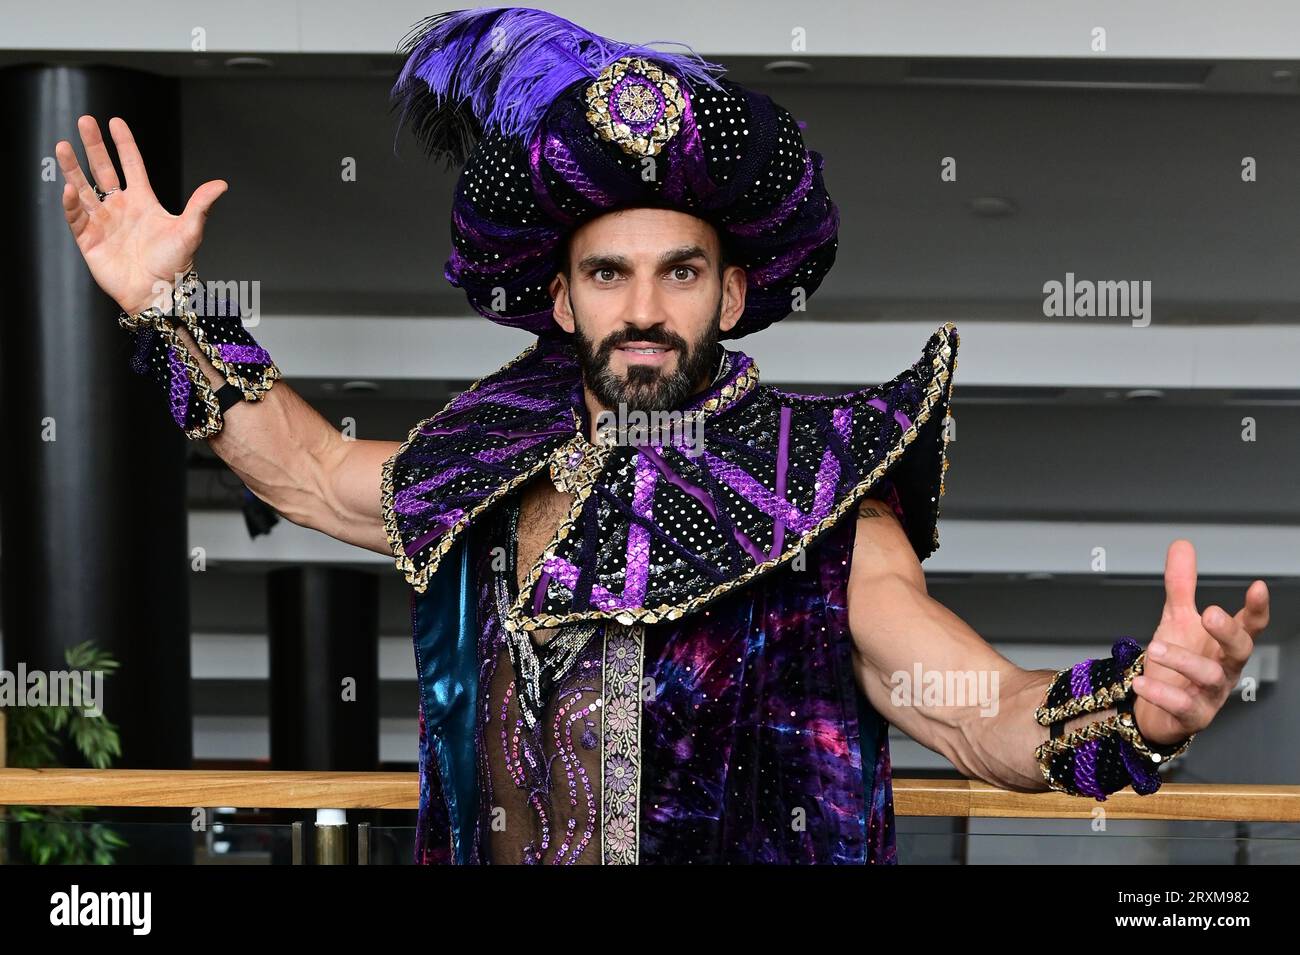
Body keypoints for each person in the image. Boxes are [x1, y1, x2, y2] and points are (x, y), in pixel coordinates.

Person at [55, 7, 1269, 865]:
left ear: (731, 295)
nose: (643, 307)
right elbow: (308, 470)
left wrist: (1133, 708)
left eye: (681, 270)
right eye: (611, 272)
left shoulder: (819, 493)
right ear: (562, 297)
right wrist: (167, 306)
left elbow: (970, 707)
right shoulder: (480, 468)